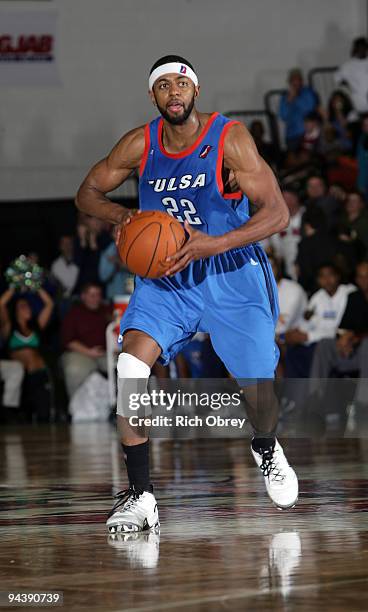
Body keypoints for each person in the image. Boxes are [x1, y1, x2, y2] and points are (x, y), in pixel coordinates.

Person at [76, 54, 299, 534]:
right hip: (168, 278)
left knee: (259, 393)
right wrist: (123, 219)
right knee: (131, 367)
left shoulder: (230, 139)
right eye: (163, 86)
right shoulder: (140, 144)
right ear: (153, 96)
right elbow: (87, 192)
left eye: (181, 83)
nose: (173, 92)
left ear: (196, 91)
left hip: (230, 271)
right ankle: (142, 497)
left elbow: (277, 214)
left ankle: (264, 444)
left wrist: (213, 242)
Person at [309, 261, 368, 430]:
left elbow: (357, 334)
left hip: (364, 350)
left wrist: (355, 337)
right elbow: (343, 327)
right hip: (351, 352)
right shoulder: (354, 297)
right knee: (324, 345)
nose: (364, 279)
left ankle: (363, 403)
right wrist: (343, 339)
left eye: (367, 275)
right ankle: (315, 399)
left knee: (366, 345)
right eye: (361, 276)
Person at [0, 286, 54, 422]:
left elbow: (49, 304)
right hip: (20, 378)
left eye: (28, 306)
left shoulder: (37, 326)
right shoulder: (9, 327)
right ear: (15, 311)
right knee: (22, 419)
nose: (27, 308)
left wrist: (36, 286)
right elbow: (1, 303)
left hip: (39, 376)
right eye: (22, 306)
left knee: (44, 417)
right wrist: (14, 287)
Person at [61, 282, 111, 398]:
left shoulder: (106, 311)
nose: (96, 298)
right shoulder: (74, 313)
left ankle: (123, 407)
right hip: (80, 353)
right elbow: (68, 340)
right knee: (74, 370)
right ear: (83, 296)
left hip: (106, 354)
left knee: (127, 366)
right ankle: (76, 408)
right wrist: (89, 352)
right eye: (92, 295)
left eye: (98, 295)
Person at [263, 189, 304, 279]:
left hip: (306, 262)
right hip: (287, 267)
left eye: (290, 198)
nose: (287, 201)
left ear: (296, 198)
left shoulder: (306, 214)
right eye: (284, 198)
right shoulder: (276, 221)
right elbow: (275, 247)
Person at [279, 68, 318, 151]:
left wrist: (296, 98)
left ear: (302, 81)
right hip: (292, 135)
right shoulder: (285, 97)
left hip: (308, 133)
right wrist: (288, 102)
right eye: (293, 80)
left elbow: (309, 108)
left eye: (298, 79)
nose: (296, 82)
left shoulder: (308, 92)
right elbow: (283, 116)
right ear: (289, 82)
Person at [334, 37, 368, 114]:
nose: (362, 49)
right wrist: (350, 86)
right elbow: (337, 78)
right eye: (359, 47)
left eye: (363, 47)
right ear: (355, 49)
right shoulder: (348, 65)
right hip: (360, 103)